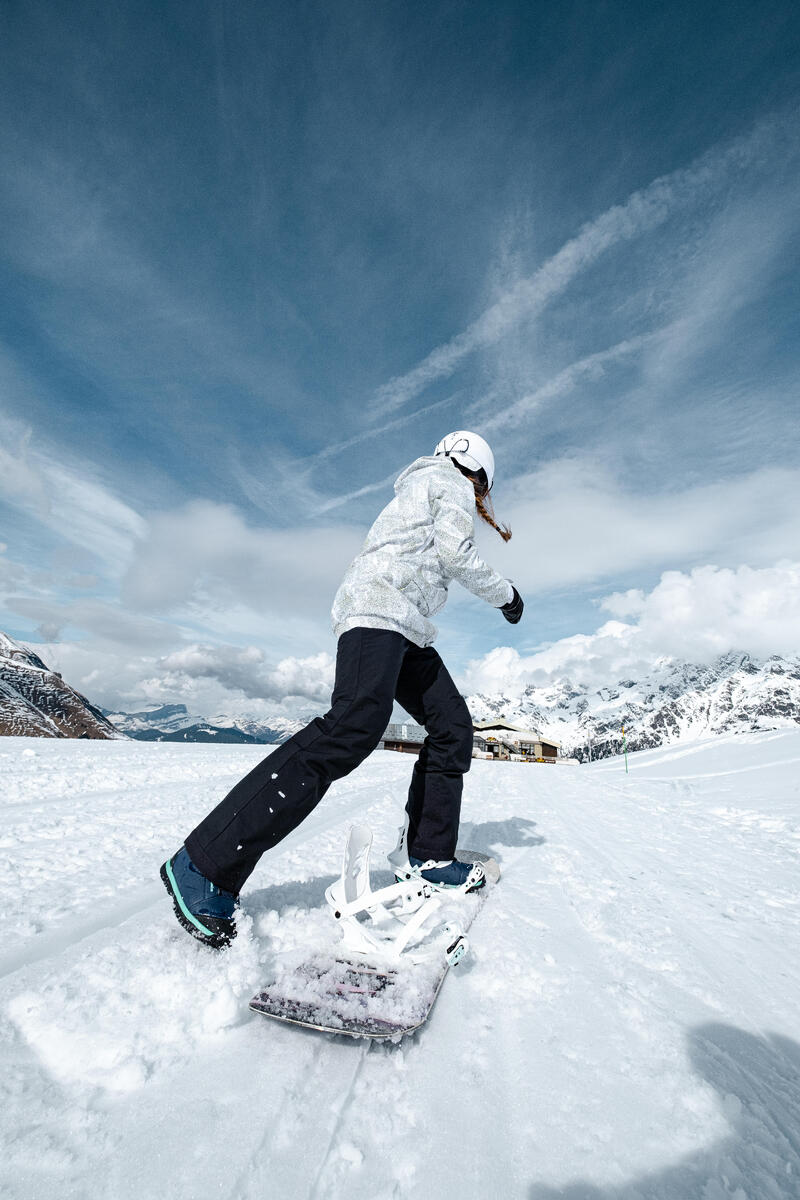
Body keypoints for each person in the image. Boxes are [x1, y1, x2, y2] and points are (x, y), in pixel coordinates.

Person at [161, 430, 524, 948]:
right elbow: (454, 552)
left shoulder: (423, 484)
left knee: (451, 726)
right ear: (479, 475)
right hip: (380, 612)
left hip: (404, 624)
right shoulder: (452, 485)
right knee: (352, 727)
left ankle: (428, 856)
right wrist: (507, 595)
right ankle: (203, 864)